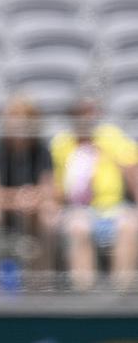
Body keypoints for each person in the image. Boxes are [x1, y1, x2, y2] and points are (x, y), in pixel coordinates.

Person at [51, 98, 138, 291]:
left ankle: (122, 292)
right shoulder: (62, 144)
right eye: (79, 113)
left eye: (89, 113)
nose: (85, 118)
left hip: (114, 208)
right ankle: (84, 293)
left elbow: (132, 168)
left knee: (130, 225)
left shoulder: (111, 137)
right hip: (77, 209)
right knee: (78, 228)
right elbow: (56, 185)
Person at [0, 95, 59, 285]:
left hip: (31, 212)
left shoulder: (42, 151)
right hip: (2, 209)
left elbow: (50, 190)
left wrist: (32, 200)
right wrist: (16, 198)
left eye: (25, 119)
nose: (19, 125)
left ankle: (43, 283)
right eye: (14, 118)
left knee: (49, 215)